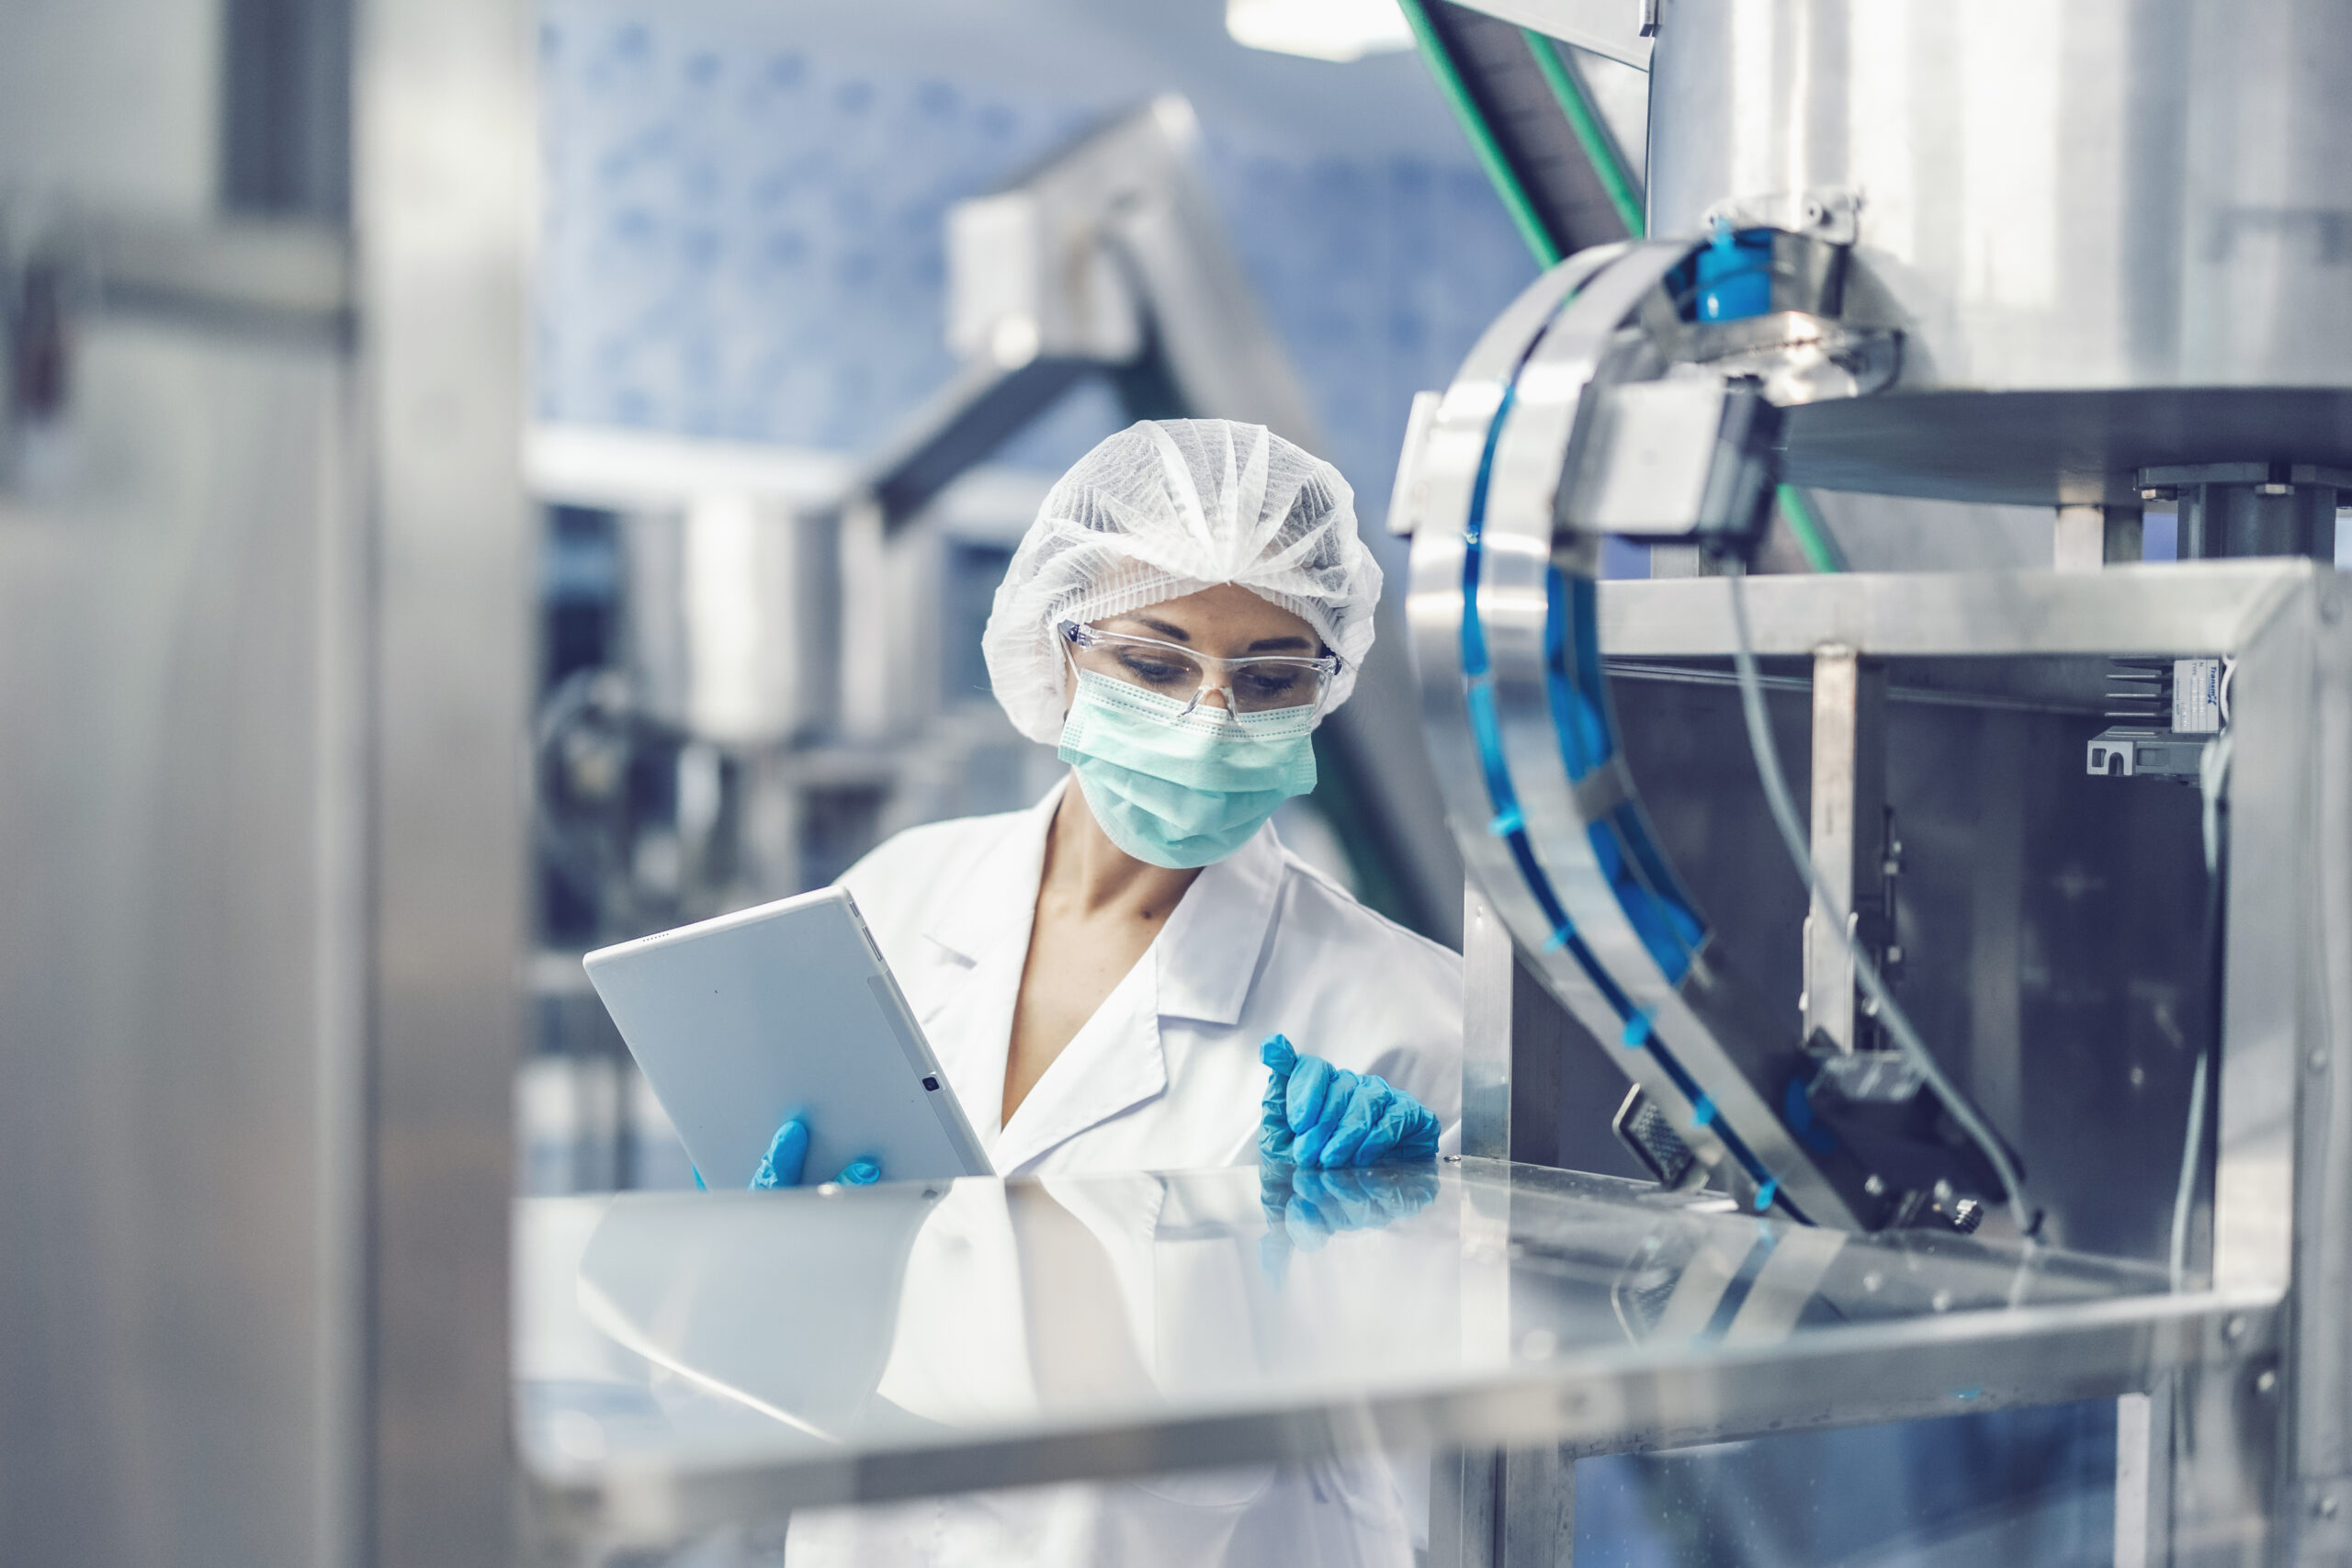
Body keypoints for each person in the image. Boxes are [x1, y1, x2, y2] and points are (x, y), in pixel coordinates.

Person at [768, 418, 1464, 1565]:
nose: (1209, 718)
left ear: (1322, 690)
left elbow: (1409, 1430)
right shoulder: (893, 899)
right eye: (1154, 663)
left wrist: (1359, 1244)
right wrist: (764, 1247)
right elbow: (817, 1329)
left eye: (1268, 677)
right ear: (1058, 648)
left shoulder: (1402, 1019)